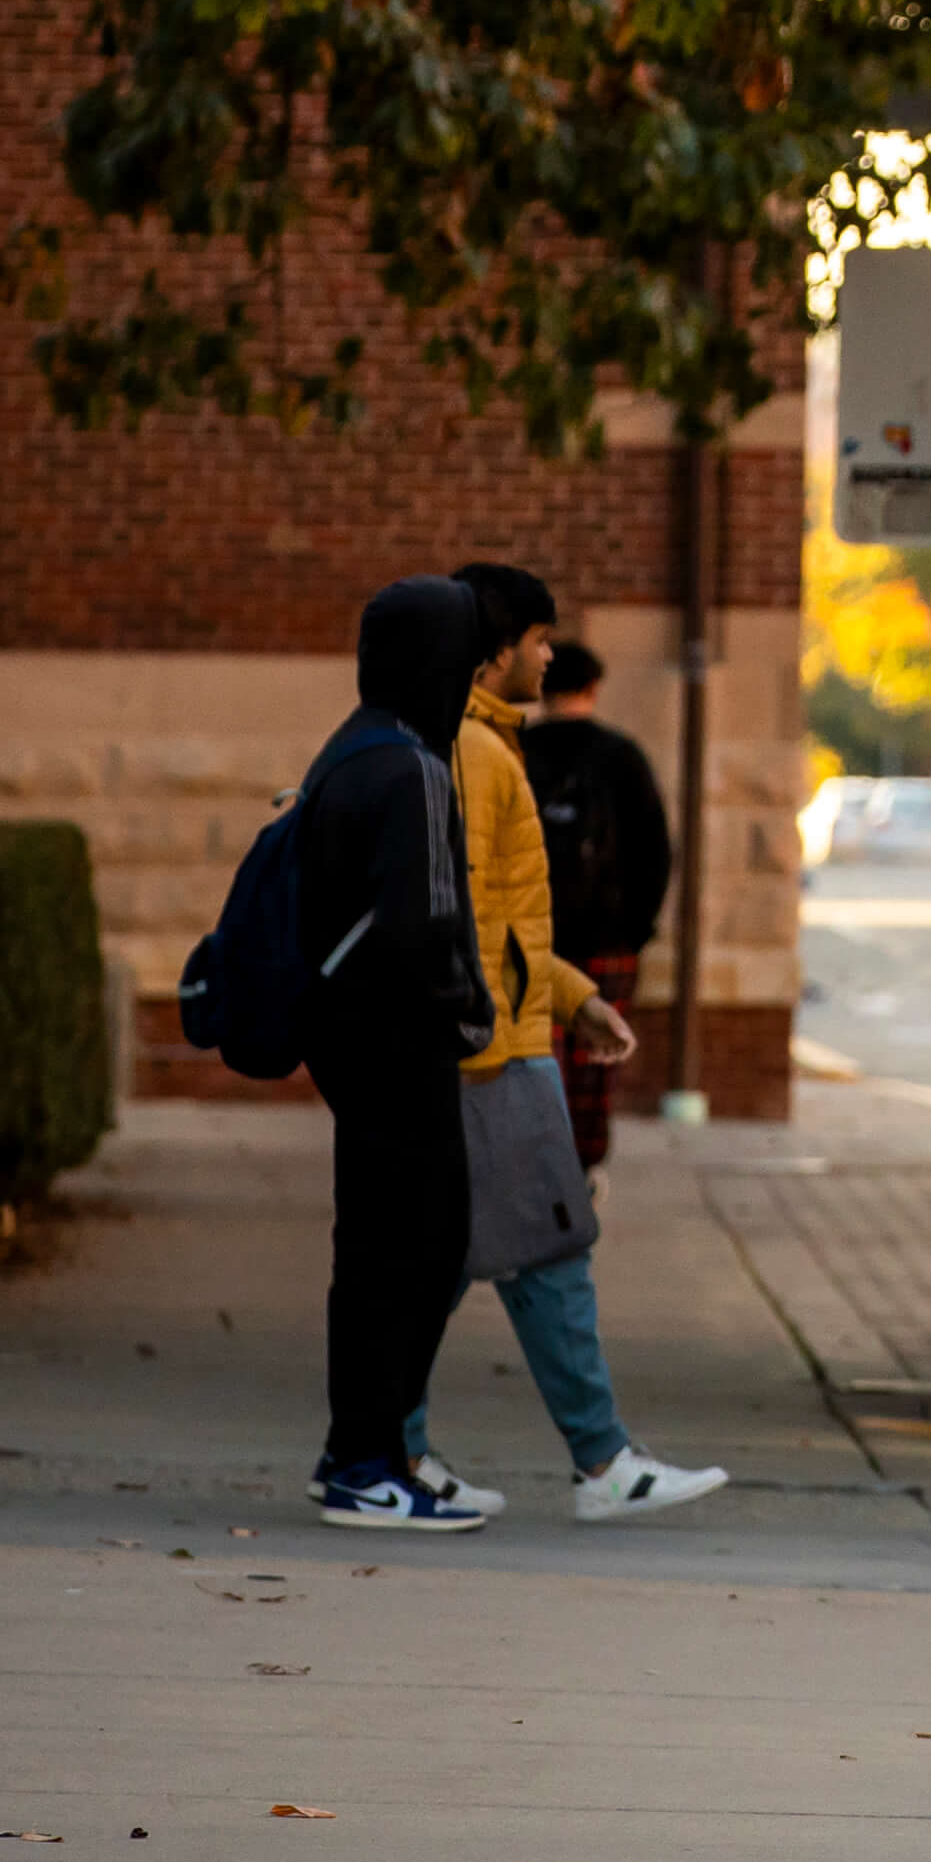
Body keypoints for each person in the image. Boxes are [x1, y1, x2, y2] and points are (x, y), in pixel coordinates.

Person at [415, 564, 725, 1522]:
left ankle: (388, 1447)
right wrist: (525, 1020)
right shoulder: (474, 752)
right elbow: (458, 920)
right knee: (537, 1248)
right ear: (497, 650)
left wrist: (576, 996)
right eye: (540, 639)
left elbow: (501, 926)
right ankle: (594, 1465)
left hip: (504, 1042)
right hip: (491, 1057)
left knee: (455, 1257)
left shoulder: (482, 745)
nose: (552, 655)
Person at [296, 576, 501, 1532]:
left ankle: (366, 1454)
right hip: (400, 1048)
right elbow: (424, 923)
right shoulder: (415, 766)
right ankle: (368, 1462)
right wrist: (467, 1012)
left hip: (351, 1041)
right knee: (418, 1249)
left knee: (377, 1252)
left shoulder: (350, 748)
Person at [526, 636, 678, 1161]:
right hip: (607, 943)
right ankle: (585, 1170)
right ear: (593, 687)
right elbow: (656, 853)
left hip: (530, 943)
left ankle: (540, 1168)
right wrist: (635, 931)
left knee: (533, 1068)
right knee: (595, 1069)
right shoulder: (620, 757)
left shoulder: (516, 752)